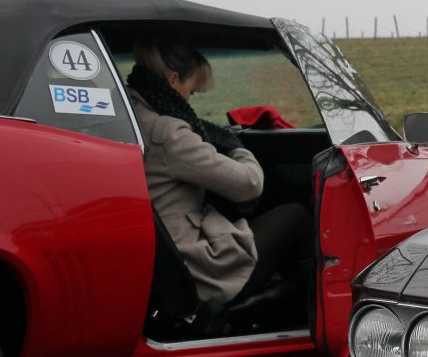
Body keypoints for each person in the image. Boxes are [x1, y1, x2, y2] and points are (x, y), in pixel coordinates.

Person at [126, 40, 310, 311]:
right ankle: (297, 310)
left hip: (159, 261)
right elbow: (249, 184)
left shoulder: (131, 115)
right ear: (173, 79)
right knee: (296, 215)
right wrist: (236, 147)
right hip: (197, 270)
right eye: (191, 91)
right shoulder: (167, 133)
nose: (189, 99)